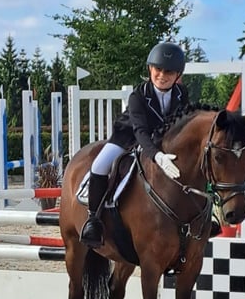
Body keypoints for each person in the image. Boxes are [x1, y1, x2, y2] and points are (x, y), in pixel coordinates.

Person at [80, 42, 190, 248]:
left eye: (169, 71)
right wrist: (157, 156)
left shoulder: (182, 94)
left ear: (178, 75)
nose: (162, 75)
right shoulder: (138, 96)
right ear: (150, 69)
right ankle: (93, 220)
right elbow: (140, 132)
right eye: (158, 69)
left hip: (164, 141)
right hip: (128, 137)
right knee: (99, 166)